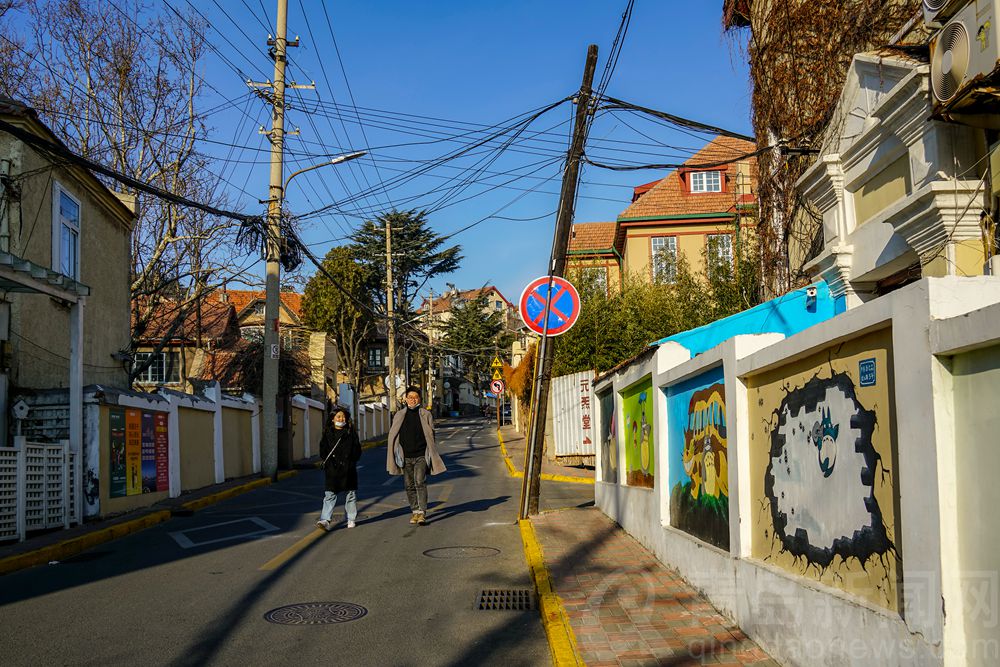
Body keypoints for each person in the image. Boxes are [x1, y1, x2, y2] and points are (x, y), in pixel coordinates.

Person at [386, 386, 446, 525]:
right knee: (409, 485)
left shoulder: (426, 414)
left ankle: (422, 512)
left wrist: (430, 451)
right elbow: (393, 435)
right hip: (405, 456)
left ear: (420, 399)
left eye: (415, 397)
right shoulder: (399, 415)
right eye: (410, 397)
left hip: (421, 454)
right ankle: (415, 511)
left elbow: (431, 435)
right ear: (405, 399)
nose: (413, 400)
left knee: (420, 481)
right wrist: (395, 452)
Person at [317, 408, 362, 532]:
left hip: (348, 469)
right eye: (338, 416)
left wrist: (351, 462)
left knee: (350, 494)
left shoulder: (350, 433)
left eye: (343, 417)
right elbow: (323, 450)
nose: (341, 419)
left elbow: (357, 450)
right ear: (332, 419)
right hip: (333, 469)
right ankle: (325, 520)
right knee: (329, 495)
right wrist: (329, 464)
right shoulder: (327, 433)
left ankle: (351, 519)